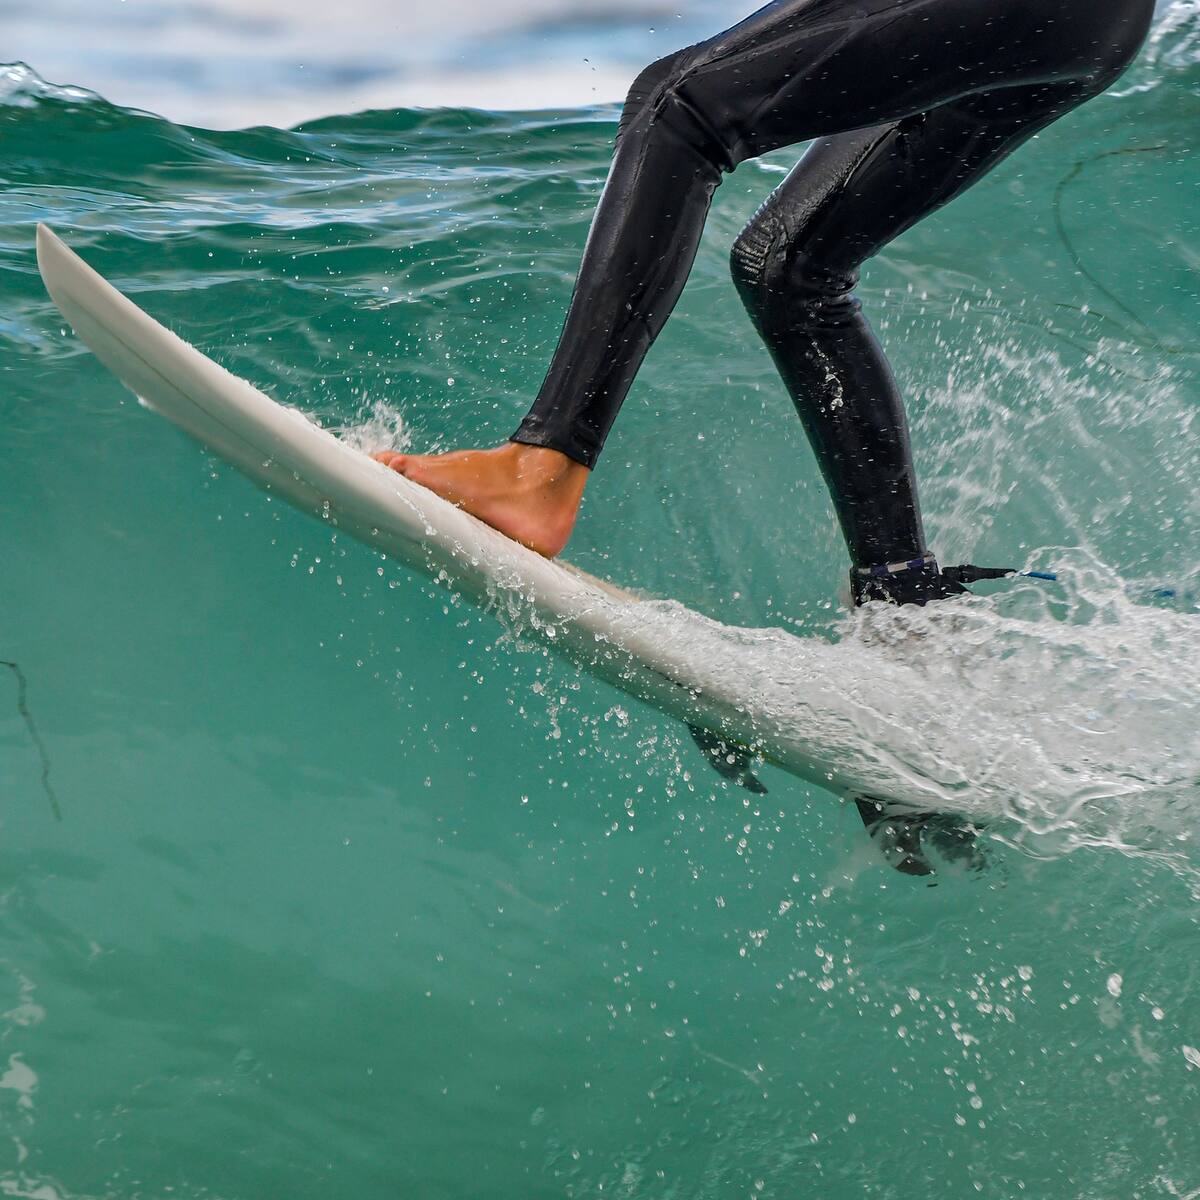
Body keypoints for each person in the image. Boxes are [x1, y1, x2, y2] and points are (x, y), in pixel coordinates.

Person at [375, 0, 1152, 608]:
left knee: (679, 110)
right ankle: (901, 598)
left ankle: (543, 469)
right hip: (1088, 28)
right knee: (790, 269)